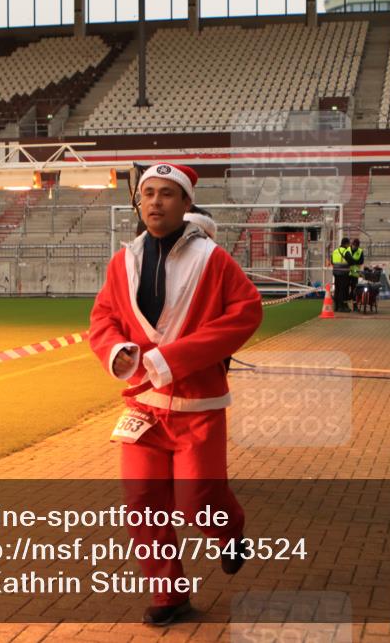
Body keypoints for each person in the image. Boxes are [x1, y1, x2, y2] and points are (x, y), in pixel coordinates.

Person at [88, 162, 263, 626]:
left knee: (198, 500)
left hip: (198, 407)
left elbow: (246, 312)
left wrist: (175, 358)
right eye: (148, 193)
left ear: (186, 203)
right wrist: (115, 351)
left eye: (167, 193)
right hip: (142, 407)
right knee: (142, 502)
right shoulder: (123, 261)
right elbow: (103, 317)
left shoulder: (213, 259)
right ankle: (169, 594)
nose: (155, 202)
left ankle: (229, 531)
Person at [331, 237, 355, 312]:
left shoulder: (335, 251)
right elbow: (351, 261)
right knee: (343, 290)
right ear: (346, 244)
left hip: (336, 272)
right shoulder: (345, 251)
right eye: (348, 244)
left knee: (337, 289)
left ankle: (336, 306)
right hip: (343, 273)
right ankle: (342, 307)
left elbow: (332, 261)